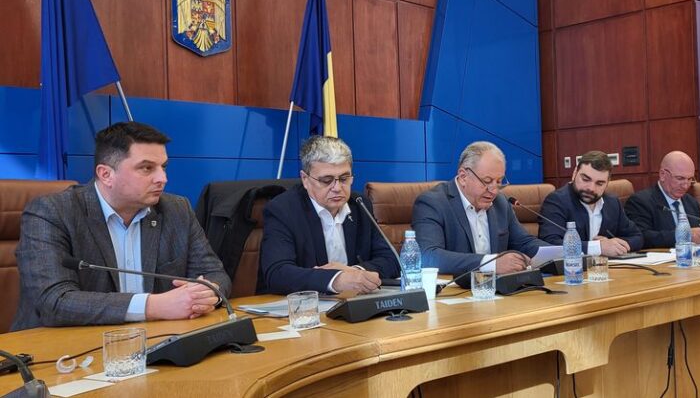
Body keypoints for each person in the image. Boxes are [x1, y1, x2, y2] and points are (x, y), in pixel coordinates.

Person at [13, 122, 230, 331]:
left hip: (156, 340)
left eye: (163, 167)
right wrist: (155, 306)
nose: (162, 178)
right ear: (106, 174)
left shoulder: (176, 209)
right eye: (147, 168)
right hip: (64, 347)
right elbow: (54, 302)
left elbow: (215, 274)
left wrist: (207, 294)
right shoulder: (52, 212)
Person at [259, 136, 400, 295]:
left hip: (352, 302)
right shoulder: (283, 210)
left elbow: (392, 260)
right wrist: (336, 280)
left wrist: (354, 273)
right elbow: (277, 273)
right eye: (327, 180)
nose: (337, 188)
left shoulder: (359, 205)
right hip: (300, 306)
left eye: (344, 179)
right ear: (305, 179)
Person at [412, 141, 549, 276]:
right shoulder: (433, 203)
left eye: (499, 181)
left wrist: (558, 253)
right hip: (455, 288)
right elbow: (428, 256)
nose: (494, 190)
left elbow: (524, 243)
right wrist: (491, 264)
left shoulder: (500, 202)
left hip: (497, 288)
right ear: (463, 177)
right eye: (487, 181)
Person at [538, 150, 643, 256]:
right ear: (574, 173)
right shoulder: (556, 201)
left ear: (607, 183)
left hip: (607, 265)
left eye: (599, 183)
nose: (591, 188)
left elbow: (637, 237)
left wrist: (613, 244)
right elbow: (550, 243)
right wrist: (598, 247)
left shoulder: (612, 203)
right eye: (585, 179)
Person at [625, 151, 700, 248]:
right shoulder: (640, 202)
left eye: (690, 179)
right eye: (680, 178)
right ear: (663, 175)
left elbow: (696, 236)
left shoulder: (691, 202)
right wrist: (684, 236)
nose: (685, 186)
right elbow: (641, 237)